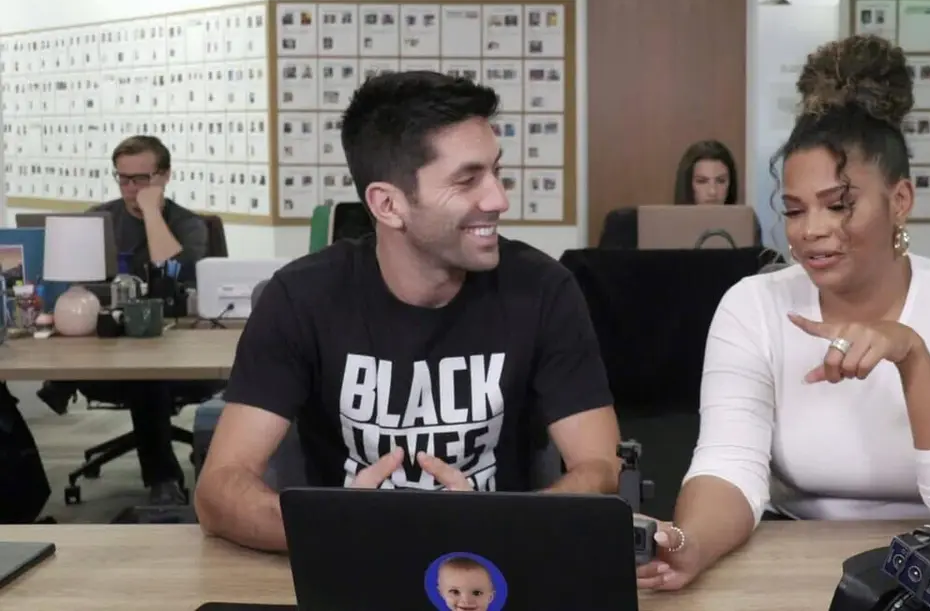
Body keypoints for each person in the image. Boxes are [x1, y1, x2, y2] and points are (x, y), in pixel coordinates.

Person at [636, 35, 930, 591]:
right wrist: (693, 543)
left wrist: (913, 357)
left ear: (900, 201)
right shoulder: (753, 305)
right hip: (792, 560)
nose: (812, 230)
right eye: (794, 210)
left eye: (839, 205)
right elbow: (729, 464)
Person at [195, 71, 623, 552]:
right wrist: (338, 526)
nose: (499, 199)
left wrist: (497, 526)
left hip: (496, 569)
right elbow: (218, 491)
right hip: (346, 564)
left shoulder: (543, 290)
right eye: (467, 180)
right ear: (388, 204)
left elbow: (601, 467)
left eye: (496, 172)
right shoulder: (302, 297)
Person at [39, 135, 213, 505]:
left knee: (146, 373)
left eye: (142, 179)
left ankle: (163, 479)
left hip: (174, 347)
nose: (132, 188)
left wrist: (151, 213)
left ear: (164, 175)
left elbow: (174, 273)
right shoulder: (99, 220)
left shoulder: (189, 225)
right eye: (124, 178)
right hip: (107, 341)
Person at [672, 139, 762, 245]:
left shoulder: (747, 223)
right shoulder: (670, 225)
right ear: (687, 184)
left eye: (721, 181)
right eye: (702, 181)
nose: (712, 191)